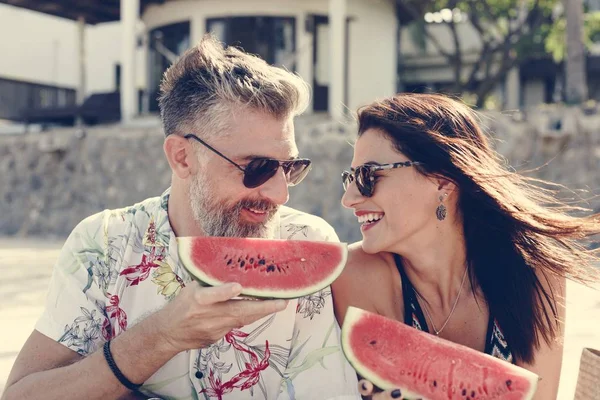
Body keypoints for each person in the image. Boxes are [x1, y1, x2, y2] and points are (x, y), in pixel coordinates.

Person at [3, 35, 359, 400]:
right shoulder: (104, 244)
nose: (280, 194)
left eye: (290, 167)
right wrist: (159, 337)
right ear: (182, 157)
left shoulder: (306, 244)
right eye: (258, 168)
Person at [332, 93, 600, 399]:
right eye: (350, 177)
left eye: (368, 175)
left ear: (442, 182)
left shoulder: (535, 273)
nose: (349, 198)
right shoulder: (355, 275)